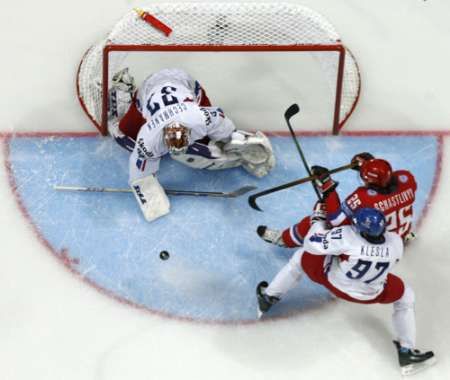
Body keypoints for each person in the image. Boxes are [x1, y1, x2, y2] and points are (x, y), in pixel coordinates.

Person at [256, 206, 435, 376]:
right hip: (371, 294)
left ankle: (269, 296)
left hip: (336, 285)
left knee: (301, 257)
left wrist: (318, 221)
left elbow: (312, 243)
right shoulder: (396, 242)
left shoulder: (347, 236)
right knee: (406, 296)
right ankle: (407, 351)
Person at [107, 68, 275, 222]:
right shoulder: (149, 135)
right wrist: (148, 193)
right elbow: (139, 171)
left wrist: (231, 137)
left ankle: (240, 144)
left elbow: (221, 122)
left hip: (183, 81)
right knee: (124, 133)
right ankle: (122, 91)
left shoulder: (200, 117)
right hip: (148, 87)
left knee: (210, 137)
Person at [257, 153, 417, 248]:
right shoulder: (407, 179)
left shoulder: (364, 197)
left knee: (320, 215)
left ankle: (284, 239)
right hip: (397, 237)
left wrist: (328, 186)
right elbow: (388, 184)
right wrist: (370, 165)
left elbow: (335, 221)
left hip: (372, 244)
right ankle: (405, 235)